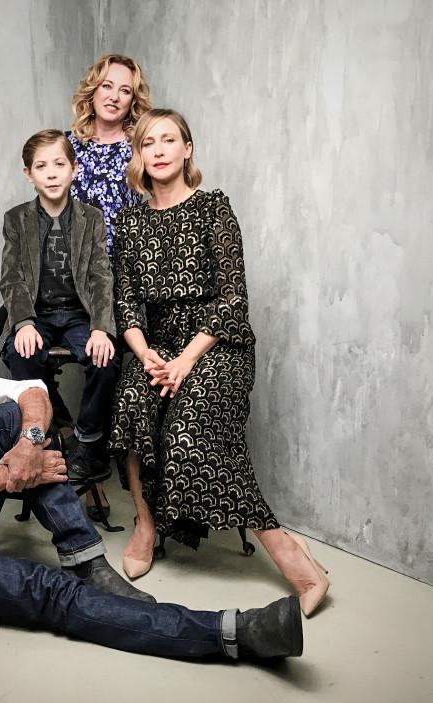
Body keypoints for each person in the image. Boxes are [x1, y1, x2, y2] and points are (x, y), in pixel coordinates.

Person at [0, 284, 304, 662]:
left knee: (14, 415)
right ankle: (230, 634)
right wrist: (16, 476)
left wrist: (28, 444)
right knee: (45, 591)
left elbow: (28, 388)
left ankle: (85, 557)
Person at [110, 109, 331, 617]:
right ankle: (146, 523)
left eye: (170, 140)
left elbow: (232, 298)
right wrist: (145, 353)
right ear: (140, 156)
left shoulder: (214, 209)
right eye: (149, 142)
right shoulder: (131, 219)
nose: (159, 149)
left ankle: (289, 552)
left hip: (217, 345)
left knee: (190, 428)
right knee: (132, 399)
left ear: (188, 149)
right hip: (154, 345)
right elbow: (125, 303)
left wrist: (186, 360)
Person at [0, 129, 120, 484]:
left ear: (74, 169)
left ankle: (85, 440)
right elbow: (12, 277)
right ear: (28, 174)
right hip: (39, 314)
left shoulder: (91, 218)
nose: (51, 173)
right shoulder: (16, 219)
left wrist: (99, 327)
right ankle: (55, 426)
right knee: (22, 356)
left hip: (80, 313)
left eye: (59, 164)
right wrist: (23, 323)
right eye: (41, 166)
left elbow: (99, 276)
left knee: (106, 359)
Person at [65, 53, 152, 519]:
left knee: (108, 356)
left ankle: (87, 444)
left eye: (125, 90)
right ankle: (65, 441)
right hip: (66, 277)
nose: (115, 97)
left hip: (117, 277)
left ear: (133, 99)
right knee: (8, 337)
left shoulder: (140, 147)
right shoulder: (67, 145)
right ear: (92, 91)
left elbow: (148, 214)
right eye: (107, 87)